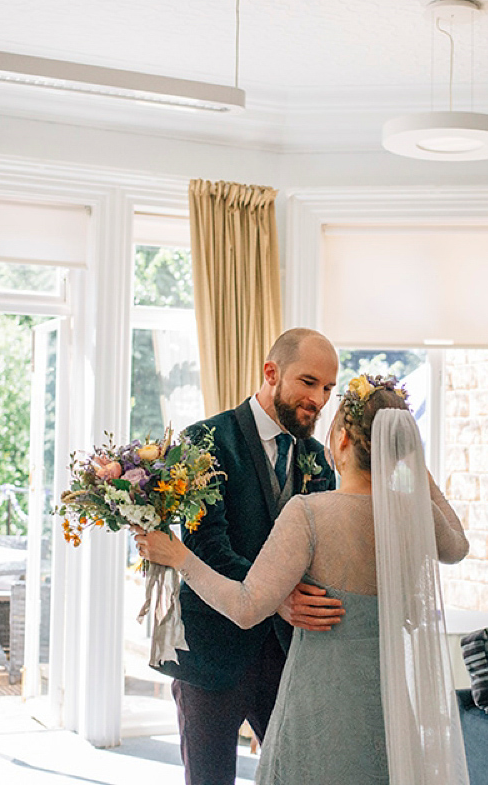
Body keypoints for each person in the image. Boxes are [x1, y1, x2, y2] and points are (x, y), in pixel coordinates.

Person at [137, 375, 471, 785]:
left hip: (319, 701)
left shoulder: (309, 513)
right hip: (386, 703)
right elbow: (458, 546)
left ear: (344, 439)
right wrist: (416, 470)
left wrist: (179, 557)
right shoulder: (412, 516)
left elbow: (245, 607)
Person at [151, 327, 346, 785]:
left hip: (287, 654)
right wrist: (276, 596)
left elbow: (321, 552)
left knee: (293, 775)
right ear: (271, 372)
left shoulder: (317, 458)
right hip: (212, 649)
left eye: (328, 389)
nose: (318, 399)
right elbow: (209, 547)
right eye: (308, 382)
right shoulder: (204, 441)